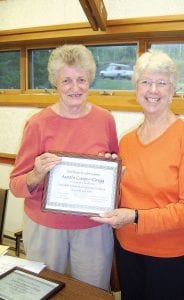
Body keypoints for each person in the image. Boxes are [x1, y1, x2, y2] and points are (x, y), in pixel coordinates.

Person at [92, 50, 184, 299]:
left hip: (174, 256)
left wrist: (135, 217)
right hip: (129, 249)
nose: (152, 89)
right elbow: (124, 195)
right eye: (145, 82)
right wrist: (106, 178)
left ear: (172, 89)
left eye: (161, 83)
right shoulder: (127, 142)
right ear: (136, 89)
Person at [10, 44, 118, 290]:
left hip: (93, 226)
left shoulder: (105, 120)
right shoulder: (37, 123)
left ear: (90, 79)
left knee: (92, 291)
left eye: (81, 79)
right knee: (44, 289)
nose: (75, 87)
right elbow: (16, 185)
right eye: (66, 80)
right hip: (45, 226)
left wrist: (112, 172)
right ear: (55, 83)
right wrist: (36, 174)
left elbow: (116, 169)